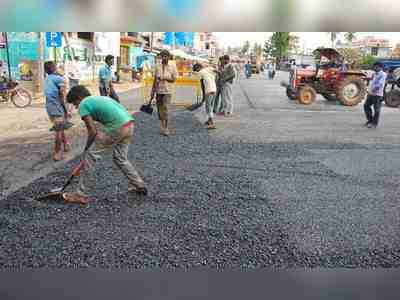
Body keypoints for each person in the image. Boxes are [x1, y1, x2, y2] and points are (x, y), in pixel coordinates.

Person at [66, 85, 147, 198]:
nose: (76, 107)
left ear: (79, 98)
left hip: (116, 127)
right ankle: (139, 184)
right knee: (120, 158)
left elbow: (92, 131)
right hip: (129, 124)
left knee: (90, 157)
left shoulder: (84, 104)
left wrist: (86, 149)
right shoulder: (100, 98)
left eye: (75, 103)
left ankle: (80, 194)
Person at [44, 61, 72, 161]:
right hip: (57, 106)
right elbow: (62, 97)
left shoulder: (47, 79)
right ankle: (57, 153)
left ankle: (66, 144)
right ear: (55, 68)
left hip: (49, 107)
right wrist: (67, 110)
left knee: (60, 127)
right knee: (58, 130)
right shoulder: (60, 79)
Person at [150, 50, 178, 136]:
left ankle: (166, 127)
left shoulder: (172, 66)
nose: (164, 58)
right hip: (159, 90)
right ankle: (162, 125)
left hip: (167, 91)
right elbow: (155, 79)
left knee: (165, 108)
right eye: (163, 56)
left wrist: (165, 78)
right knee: (159, 109)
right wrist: (152, 91)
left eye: (166, 56)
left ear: (169, 57)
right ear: (161, 57)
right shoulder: (157, 66)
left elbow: (174, 79)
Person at [193, 63, 217, 130]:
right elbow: (217, 71)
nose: (196, 71)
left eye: (196, 70)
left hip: (208, 90)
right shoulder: (208, 68)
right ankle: (209, 120)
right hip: (214, 89)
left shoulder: (200, 72)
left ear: (198, 68)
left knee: (208, 107)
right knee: (211, 106)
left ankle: (212, 123)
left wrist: (203, 96)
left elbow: (202, 84)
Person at [364, 62, 387, 129]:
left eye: (376, 67)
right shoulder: (374, 74)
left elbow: (380, 84)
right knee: (366, 105)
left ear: (380, 67)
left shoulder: (383, 74)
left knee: (376, 110)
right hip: (371, 94)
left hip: (377, 95)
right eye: (374, 66)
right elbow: (372, 82)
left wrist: (373, 90)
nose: (374, 68)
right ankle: (370, 120)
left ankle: (374, 123)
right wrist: (369, 90)